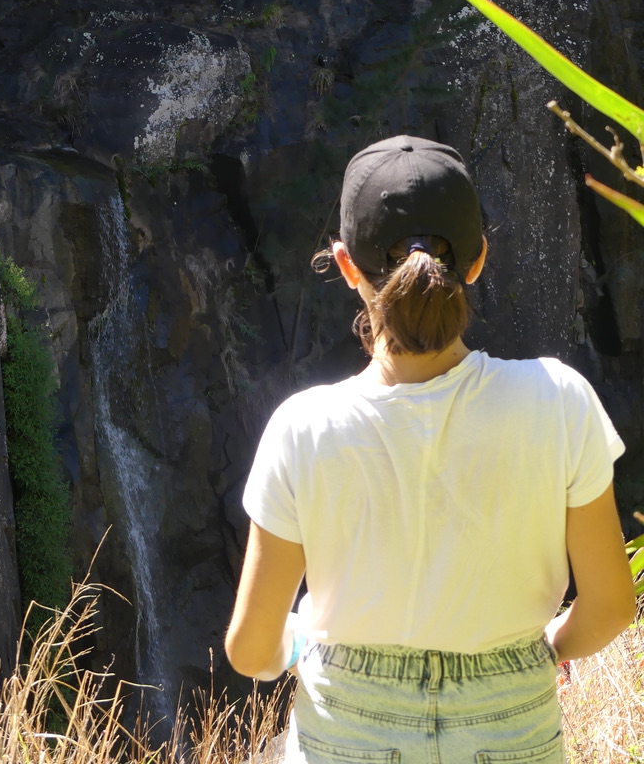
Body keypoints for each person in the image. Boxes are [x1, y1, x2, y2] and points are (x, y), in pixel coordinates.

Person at [225, 135, 635, 764]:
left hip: (347, 732)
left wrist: (299, 640)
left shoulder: (302, 428)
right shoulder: (560, 400)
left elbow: (251, 650)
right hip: (511, 724)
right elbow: (609, 606)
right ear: (476, 260)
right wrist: (541, 650)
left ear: (346, 265)